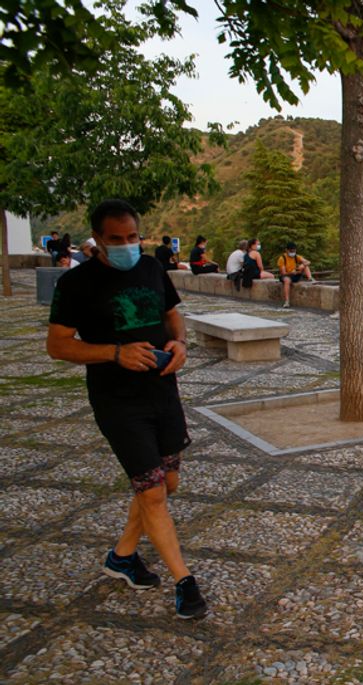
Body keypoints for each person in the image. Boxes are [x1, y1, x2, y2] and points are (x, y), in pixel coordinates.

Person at [45, 199, 207, 619]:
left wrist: (181, 345)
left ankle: (122, 557)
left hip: (162, 392)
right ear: (97, 240)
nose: (126, 246)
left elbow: (173, 315)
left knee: (167, 483)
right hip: (118, 401)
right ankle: (185, 584)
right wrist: (115, 353)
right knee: (151, 492)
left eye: (132, 237)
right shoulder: (76, 284)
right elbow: (58, 345)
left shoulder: (152, 269)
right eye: (115, 240)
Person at [276, 241, 314, 308]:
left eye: (294, 251)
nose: (292, 253)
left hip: (295, 273)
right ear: (287, 250)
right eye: (291, 251)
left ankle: (310, 278)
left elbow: (308, 262)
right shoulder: (282, 259)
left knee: (305, 266)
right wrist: (291, 272)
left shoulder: (296, 257)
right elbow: (283, 273)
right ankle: (287, 301)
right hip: (286, 275)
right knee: (287, 280)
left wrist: (301, 266)